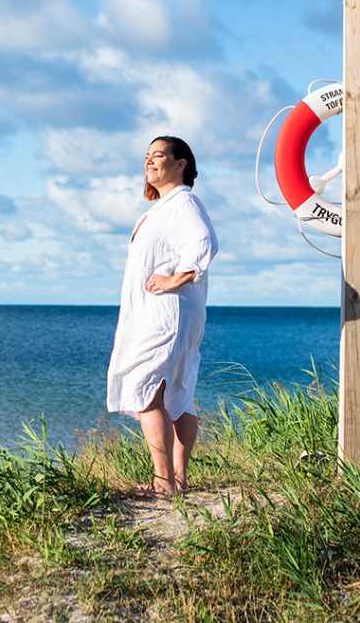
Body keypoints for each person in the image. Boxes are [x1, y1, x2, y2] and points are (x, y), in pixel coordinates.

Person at [106, 136, 218, 498]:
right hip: (170, 313)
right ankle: (179, 480)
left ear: (181, 163)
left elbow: (204, 242)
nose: (149, 162)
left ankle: (163, 482)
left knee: (146, 388)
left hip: (167, 312)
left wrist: (176, 278)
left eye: (158, 155)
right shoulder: (161, 208)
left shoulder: (183, 203)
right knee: (176, 394)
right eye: (146, 157)